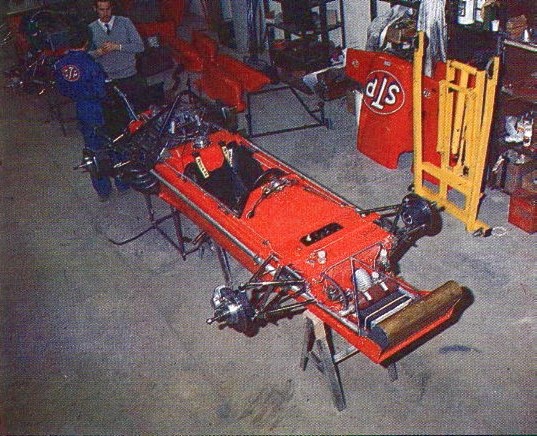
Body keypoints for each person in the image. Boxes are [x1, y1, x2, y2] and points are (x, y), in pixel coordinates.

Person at [54, 26, 128, 201]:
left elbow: (62, 89)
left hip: (81, 109)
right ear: (87, 42)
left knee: (93, 150)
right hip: (99, 110)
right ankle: (123, 182)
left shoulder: (60, 64)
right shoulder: (91, 64)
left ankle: (102, 190)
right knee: (114, 144)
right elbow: (101, 91)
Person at [88, 0, 146, 111]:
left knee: (140, 111)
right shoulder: (90, 29)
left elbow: (140, 46)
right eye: (102, 10)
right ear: (95, 9)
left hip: (130, 76)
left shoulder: (125, 22)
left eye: (108, 9)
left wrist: (117, 47)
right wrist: (98, 52)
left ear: (112, 8)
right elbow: (86, 56)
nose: (105, 13)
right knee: (117, 114)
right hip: (108, 80)